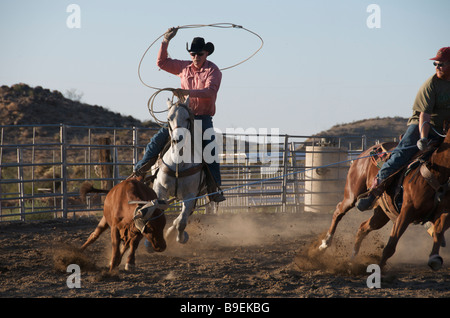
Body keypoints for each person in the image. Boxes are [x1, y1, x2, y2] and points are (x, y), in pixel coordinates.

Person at [135, 27, 225, 202]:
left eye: (199, 54)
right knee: (157, 140)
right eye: (193, 54)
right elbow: (162, 63)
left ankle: (215, 189)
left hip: (201, 118)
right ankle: (139, 172)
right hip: (183, 115)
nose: (196, 57)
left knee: (210, 150)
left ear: (206, 53)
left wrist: (185, 92)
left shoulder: (213, 71)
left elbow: (210, 92)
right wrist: (165, 41)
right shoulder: (184, 67)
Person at [356, 47, 450, 211]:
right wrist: (423, 138)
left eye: (441, 64)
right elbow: (424, 115)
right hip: (423, 126)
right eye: (436, 63)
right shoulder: (431, 85)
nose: (437, 66)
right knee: (401, 153)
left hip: (445, 129)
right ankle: (374, 190)